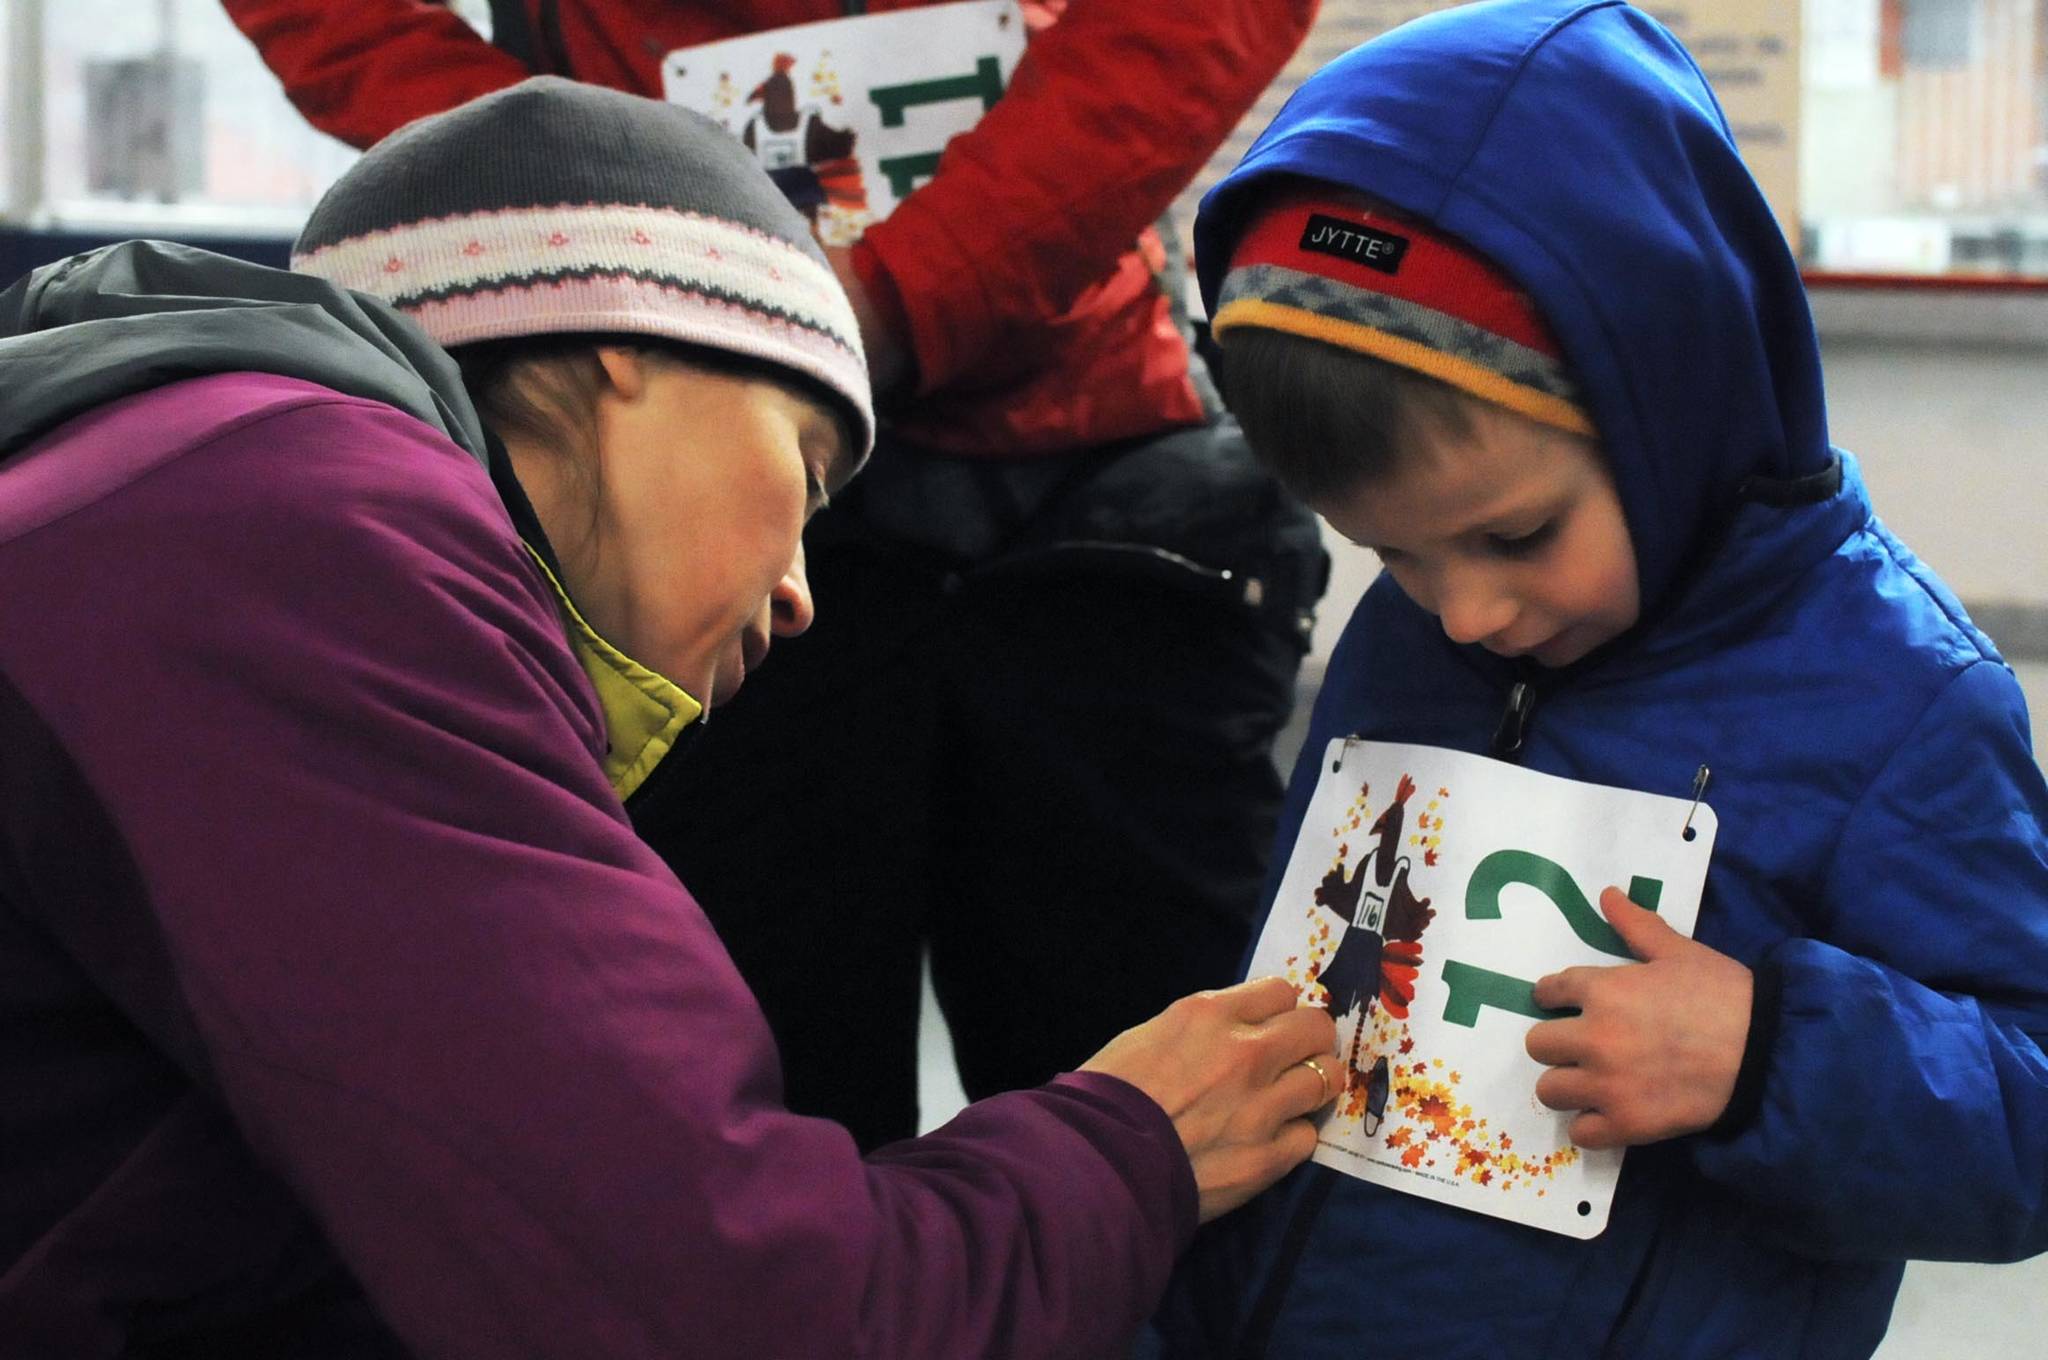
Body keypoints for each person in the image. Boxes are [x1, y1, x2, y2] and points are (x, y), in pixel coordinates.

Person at [0, 78, 1341, 1358]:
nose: (806, 595)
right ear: (628, 341)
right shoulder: (313, 540)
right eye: (809, 478)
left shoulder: (165, 481)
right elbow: (744, 1315)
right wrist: (1132, 1149)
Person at [220, 0, 1331, 1152]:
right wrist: (589, 193)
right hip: (679, 412)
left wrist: (877, 281)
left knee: (1175, 1101)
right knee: (726, 1111)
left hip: (1073, 451)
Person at [1145, 2, 2048, 1357]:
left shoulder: (1904, 705)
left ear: (1672, 400)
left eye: (1517, 536)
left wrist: (1767, 1061)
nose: (1467, 612)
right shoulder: (1416, 640)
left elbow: (2030, 1115)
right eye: (1389, 552)